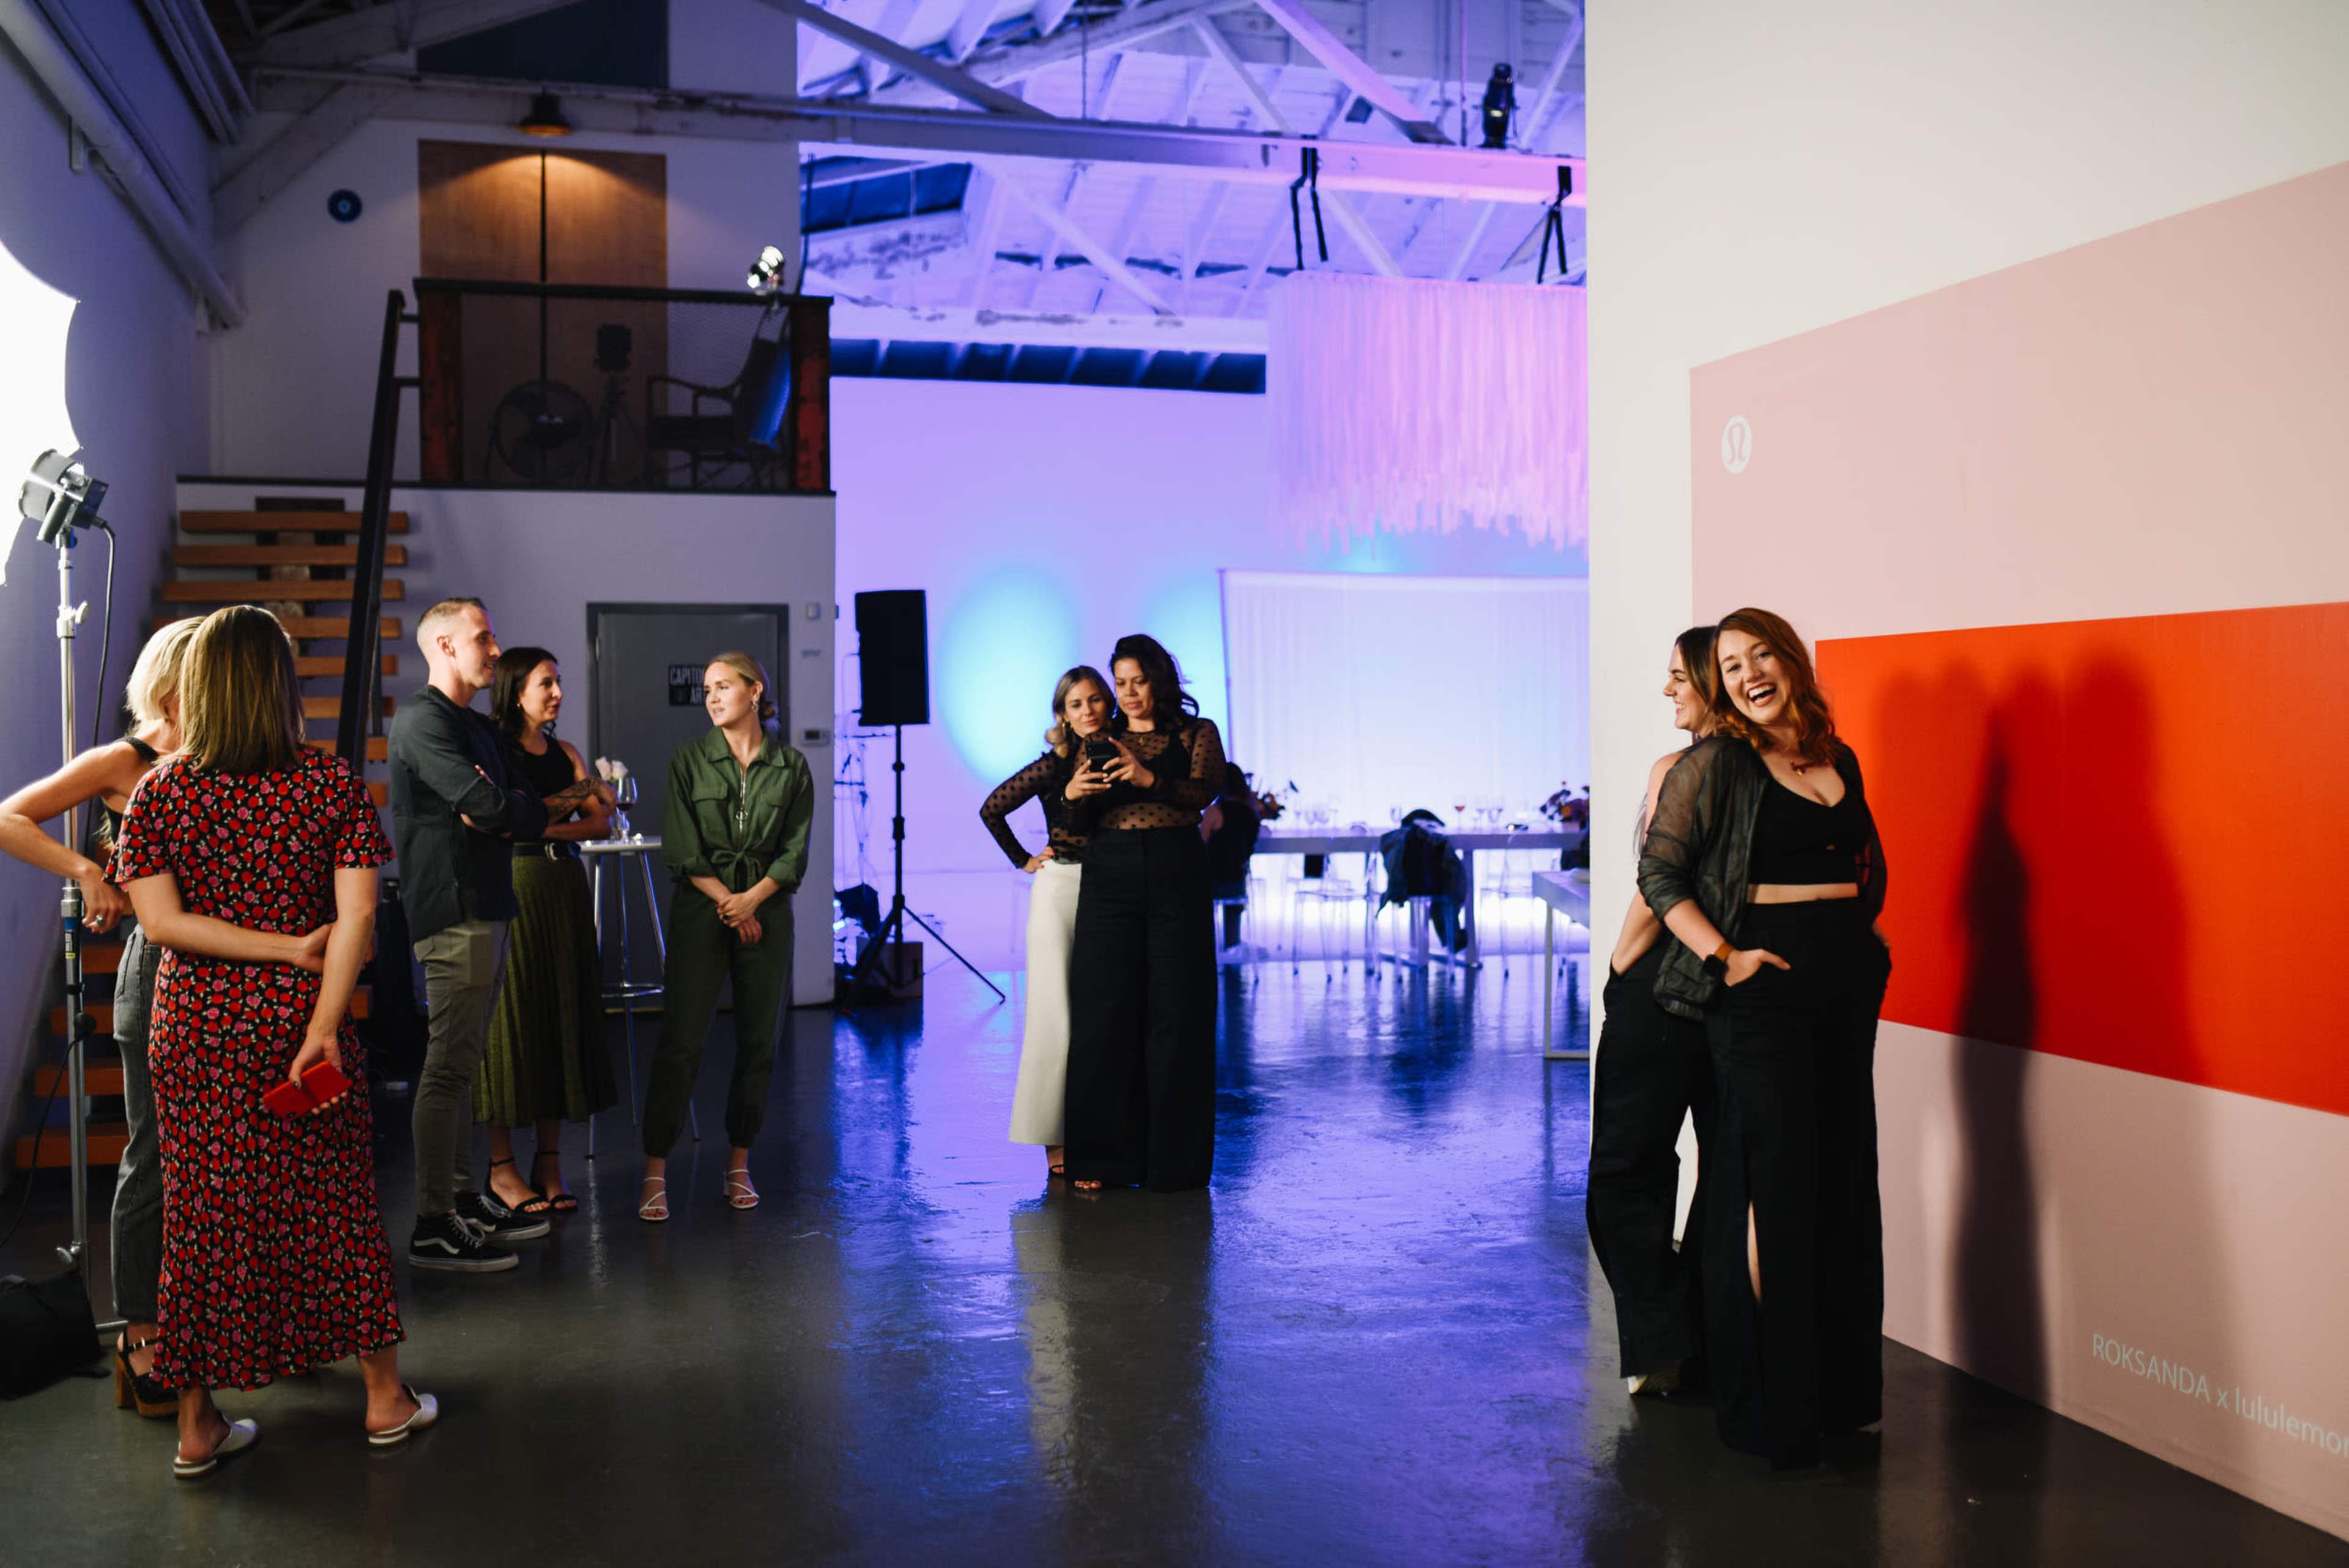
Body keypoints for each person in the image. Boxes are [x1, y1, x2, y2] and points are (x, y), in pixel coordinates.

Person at [111, 605, 436, 1476]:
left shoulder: (162, 791)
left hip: (196, 1031)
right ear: (280, 684)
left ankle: (195, 1426)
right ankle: (381, 1399)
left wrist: (268, 950)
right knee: (335, 1209)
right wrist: (323, 1023)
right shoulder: (329, 784)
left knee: (202, 1219)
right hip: (297, 1025)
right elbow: (359, 919)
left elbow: (163, 924)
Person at [1637, 607, 1890, 1470]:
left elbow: (1866, 865)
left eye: (1762, 655)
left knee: (1841, 1180)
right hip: (1761, 993)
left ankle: (1834, 1394)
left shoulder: (1836, 756)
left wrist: (1864, 943)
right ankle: (1770, 1403)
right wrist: (1725, 958)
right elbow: (1661, 871)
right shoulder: (1718, 761)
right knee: (1769, 1186)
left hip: (1844, 988)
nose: (1749, 672)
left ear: (1791, 661)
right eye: (1732, 662)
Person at [0, 618, 198, 1418]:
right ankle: (142, 1339)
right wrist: (87, 869)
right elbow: (9, 816)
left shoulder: (221, 753)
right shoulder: (127, 758)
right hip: (155, 970)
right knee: (152, 1154)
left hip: (224, 970)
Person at [387, 597, 554, 1271]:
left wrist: (503, 810)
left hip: (486, 903)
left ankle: (460, 1198)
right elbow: (488, 804)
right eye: (483, 636)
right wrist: (500, 809)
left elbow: (520, 806)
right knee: (449, 1067)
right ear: (447, 646)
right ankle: (433, 1221)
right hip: (452, 909)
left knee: (464, 1066)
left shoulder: (475, 728)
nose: (494, 647)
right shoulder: (422, 722)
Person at [1587, 626, 1720, 1400]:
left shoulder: (1677, 767)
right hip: (1731, 991)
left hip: (1661, 983)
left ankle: (1665, 1339)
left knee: (1625, 1171)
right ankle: (1699, 1335)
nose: (1668, 690)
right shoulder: (1773, 769)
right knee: (1723, 1172)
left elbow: (1656, 883)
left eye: (1679, 677)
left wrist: (1619, 960)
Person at [637, 653, 814, 1221]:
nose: (711, 697)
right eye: (707, 690)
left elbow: (794, 851)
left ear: (755, 690)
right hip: (702, 910)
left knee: (760, 1043)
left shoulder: (792, 767)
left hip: (767, 909)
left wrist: (754, 900)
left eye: (723, 686)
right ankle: (655, 1169)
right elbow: (683, 849)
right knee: (682, 1040)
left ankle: (739, 1162)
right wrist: (731, 906)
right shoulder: (689, 760)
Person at [1064, 634, 1226, 1193]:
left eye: (1139, 681)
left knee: (1177, 1014)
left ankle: (1173, 1166)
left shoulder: (1195, 733)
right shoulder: (1098, 740)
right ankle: (1101, 1161)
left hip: (1176, 868)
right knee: (1103, 1015)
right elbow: (1074, 830)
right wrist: (1073, 795)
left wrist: (1147, 777)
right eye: (1121, 683)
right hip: (1109, 876)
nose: (1129, 694)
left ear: (1159, 678)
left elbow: (1204, 791)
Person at [473, 647, 619, 1217]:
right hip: (517, 885)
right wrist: (570, 806)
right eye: (546, 683)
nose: (558, 692)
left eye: (558, 682)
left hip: (564, 888)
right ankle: (503, 1168)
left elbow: (601, 821)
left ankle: (550, 1162)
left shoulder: (566, 750)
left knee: (562, 1015)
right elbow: (509, 822)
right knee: (512, 1022)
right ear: (515, 690)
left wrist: (547, 816)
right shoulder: (494, 749)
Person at [980, 665, 1112, 1177]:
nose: (1088, 711)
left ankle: (1103, 1132)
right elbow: (992, 809)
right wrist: (1024, 859)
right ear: (1062, 714)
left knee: (1103, 1014)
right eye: (1076, 704)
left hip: (1113, 886)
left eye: (1096, 700)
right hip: (1060, 888)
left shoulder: (1122, 752)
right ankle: (1052, 1138)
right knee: (1054, 1014)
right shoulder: (1052, 766)